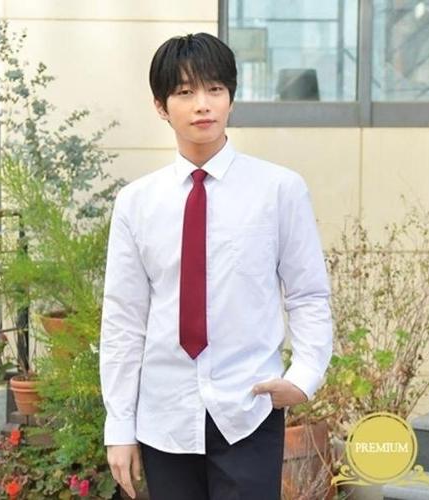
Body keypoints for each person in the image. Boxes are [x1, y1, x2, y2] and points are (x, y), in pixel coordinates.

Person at [100, 32, 333, 500]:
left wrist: (304, 375)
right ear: (161, 106)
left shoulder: (279, 190)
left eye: (214, 89)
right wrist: (120, 425)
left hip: (249, 408)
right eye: (185, 92)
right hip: (164, 416)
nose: (202, 104)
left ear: (231, 98)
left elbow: (307, 293)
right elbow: (124, 319)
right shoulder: (136, 203)